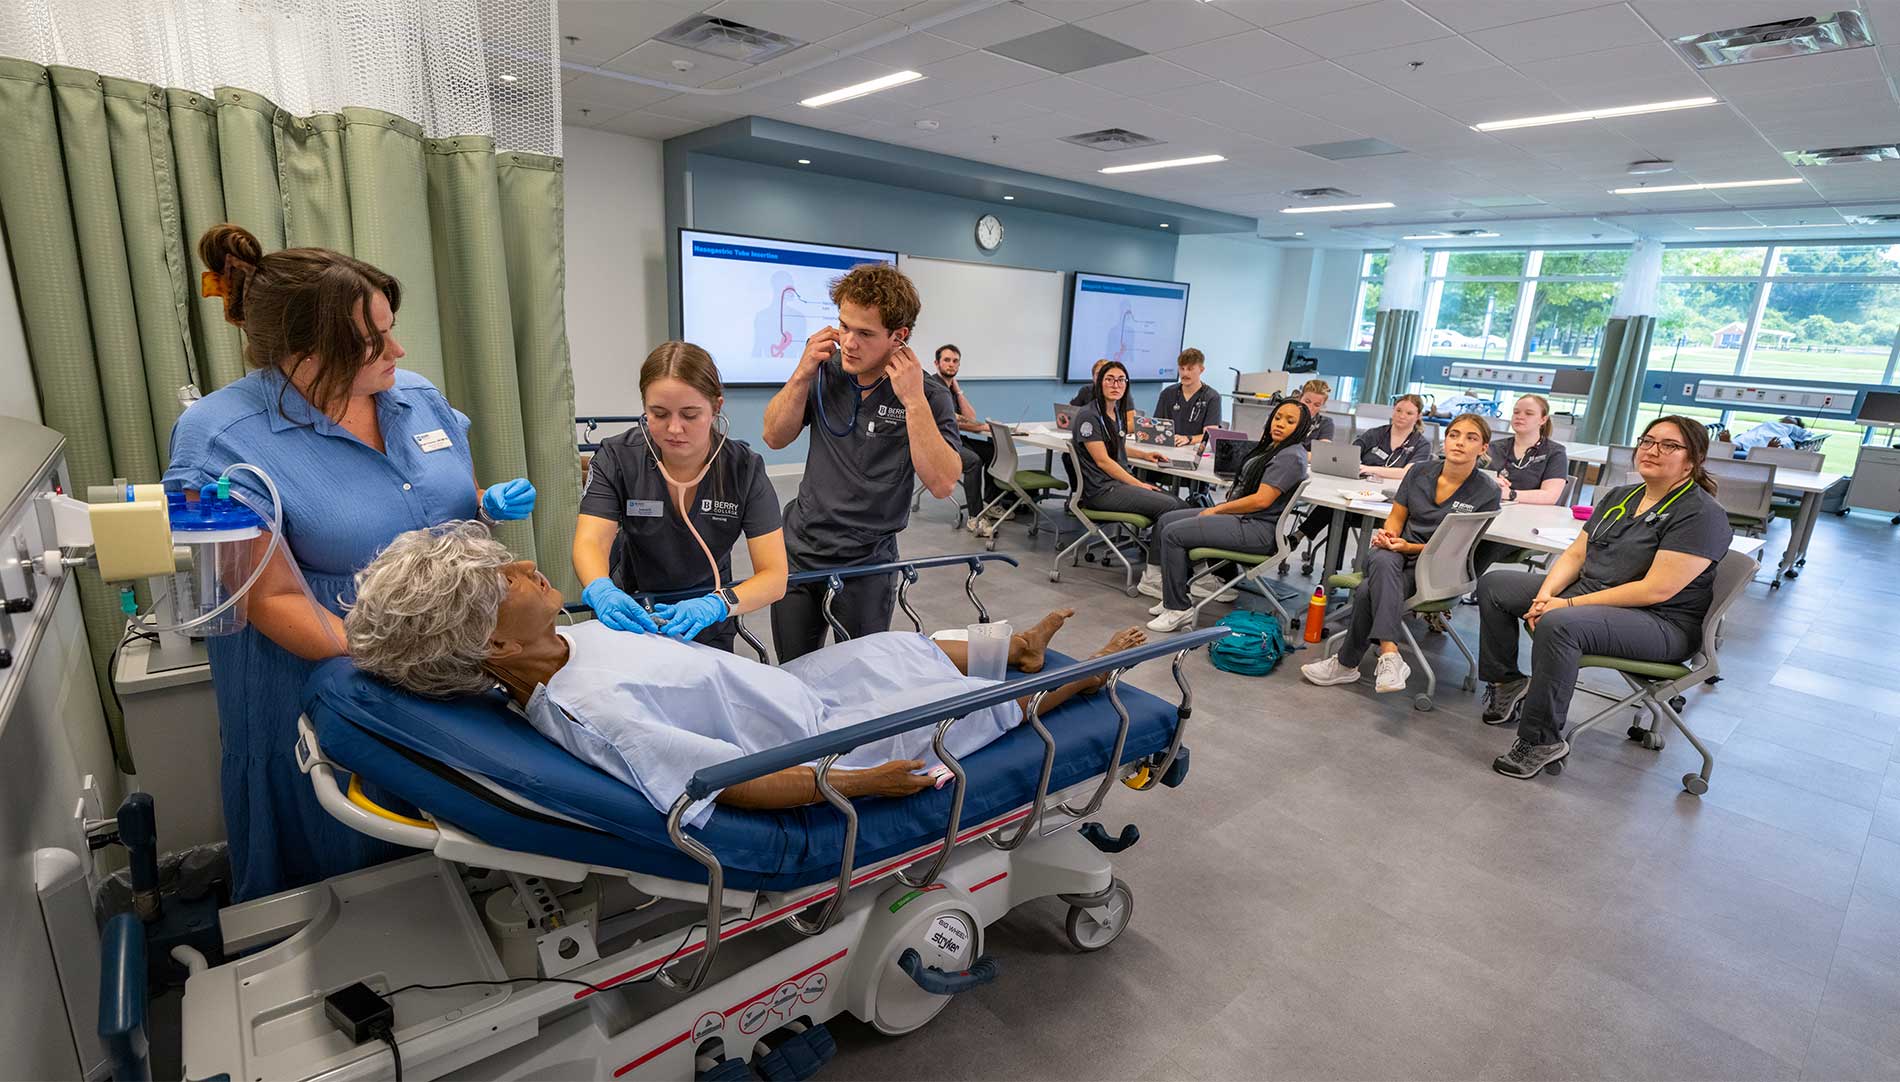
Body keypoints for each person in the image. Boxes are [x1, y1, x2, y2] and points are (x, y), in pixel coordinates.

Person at [163, 223, 537, 901]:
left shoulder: (415, 396)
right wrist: (408, 657)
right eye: (372, 342)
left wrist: (485, 505)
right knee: (347, 870)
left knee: (455, 852)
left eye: (391, 329)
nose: (398, 350)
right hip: (322, 684)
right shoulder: (212, 440)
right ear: (302, 355)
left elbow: (438, 503)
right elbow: (268, 599)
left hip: (449, 670)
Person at [344, 522, 1147, 824]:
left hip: (792, 693)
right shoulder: (591, 713)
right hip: (813, 741)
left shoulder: (566, 639)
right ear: (491, 646)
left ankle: (1017, 648)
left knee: (889, 649)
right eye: (504, 580)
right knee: (961, 705)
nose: (525, 565)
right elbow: (727, 783)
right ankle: (1077, 679)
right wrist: (863, 783)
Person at [1479, 416, 1733, 780]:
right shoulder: (1620, 496)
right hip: (1594, 596)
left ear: (1692, 460)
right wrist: (1545, 594)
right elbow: (1576, 554)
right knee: (1496, 586)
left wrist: (1564, 605)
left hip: (1661, 621)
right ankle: (1507, 683)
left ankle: (1540, 740)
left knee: (1560, 624)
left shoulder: (1701, 514)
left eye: (1669, 445)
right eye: (1647, 441)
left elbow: (1656, 589)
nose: (1653, 450)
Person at [762, 263, 962, 661]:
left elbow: (942, 484)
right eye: (844, 327)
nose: (849, 343)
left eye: (865, 333)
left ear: (898, 336)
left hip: (867, 563)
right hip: (803, 549)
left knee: (859, 676)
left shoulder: (928, 394)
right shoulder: (825, 373)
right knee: (794, 671)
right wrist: (801, 373)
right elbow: (774, 437)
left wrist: (912, 401)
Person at [573, 342, 787, 652]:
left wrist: (718, 604)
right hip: (631, 611)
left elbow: (774, 576)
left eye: (690, 414)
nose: (674, 428)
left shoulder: (743, 469)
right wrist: (600, 589)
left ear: (716, 408)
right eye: (658, 414)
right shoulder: (618, 458)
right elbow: (591, 541)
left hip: (707, 616)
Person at [1300, 413, 1501, 694]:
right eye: (1454, 435)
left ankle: (1347, 664)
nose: (1459, 442)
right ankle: (1390, 654)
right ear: (1445, 441)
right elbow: (1396, 516)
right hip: (1397, 556)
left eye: (1471, 438)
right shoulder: (1419, 472)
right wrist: (1390, 535)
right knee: (1382, 556)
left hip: (1436, 567)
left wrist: (1409, 547)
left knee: (1368, 589)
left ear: (1483, 448)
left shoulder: (1487, 491)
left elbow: (1458, 548)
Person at [1145, 399, 1313, 632]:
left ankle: (1178, 609)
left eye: (1290, 421)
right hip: (1243, 519)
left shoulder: (1290, 456)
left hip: (1257, 529)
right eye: (1277, 417)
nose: (1280, 424)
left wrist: (1217, 509)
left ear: (1301, 427)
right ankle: (1173, 596)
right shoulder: (1274, 448)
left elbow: (1261, 500)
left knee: (1173, 533)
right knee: (1166, 520)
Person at [1073, 360, 1189, 592]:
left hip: (1117, 484)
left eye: (1121, 380)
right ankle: (1153, 576)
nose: (1115, 385)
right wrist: (1139, 484)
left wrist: (1144, 455)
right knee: (1169, 507)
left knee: (1181, 505)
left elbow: (1115, 447)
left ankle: (1186, 571)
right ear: (1099, 383)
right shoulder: (1089, 416)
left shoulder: (1114, 412)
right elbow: (1103, 461)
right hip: (1101, 490)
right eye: (1109, 379)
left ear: (1126, 385)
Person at [1468, 393, 1572, 580]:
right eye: (1516, 412)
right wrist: (1489, 481)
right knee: (1455, 535)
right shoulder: (1494, 447)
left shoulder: (1555, 452)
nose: (1520, 417)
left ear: (1543, 419)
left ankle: (1456, 589)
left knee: (1482, 545)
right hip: (1491, 514)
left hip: (1525, 525)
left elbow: (1550, 495)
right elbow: (1470, 478)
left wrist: (1510, 494)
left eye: (1528, 413)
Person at [929, 343, 998, 522]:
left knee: (993, 452)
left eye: (955, 361)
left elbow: (970, 417)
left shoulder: (950, 388)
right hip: (938, 444)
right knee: (973, 461)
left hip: (955, 439)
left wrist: (958, 392)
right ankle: (976, 518)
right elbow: (954, 419)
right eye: (946, 360)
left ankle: (990, 503)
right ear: (936, 363)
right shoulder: (934, 387)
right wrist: (984, 427)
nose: (951, 364)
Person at [1153, 348, 1223, 446]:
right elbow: (1155, 425)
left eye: (1190, 369)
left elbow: (1209, 435)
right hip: (1168, 446)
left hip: (1193, 449)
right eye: (1182, 369)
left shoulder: (1212, 397)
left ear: (1201, 370)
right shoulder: (1167, 393)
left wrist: (1188, 439)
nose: (1185, 373)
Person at [1354, 394, 1434, 480]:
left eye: (1409, 413)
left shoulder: (1422, 445)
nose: (1402, 416)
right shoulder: (1374, 434)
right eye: (1398, 410)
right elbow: (1350, 456)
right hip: (1362, 483)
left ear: (1418, 416)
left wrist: (1368, 469)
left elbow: (1407, 473)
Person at [1298, 380, 1336, 445]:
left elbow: (1321, 450)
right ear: (1300, 398)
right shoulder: (1286, 416)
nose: (1310, 408)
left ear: (1322, 406)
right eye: (1307, 402)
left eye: (1316, 405)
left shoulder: (1325, 423)